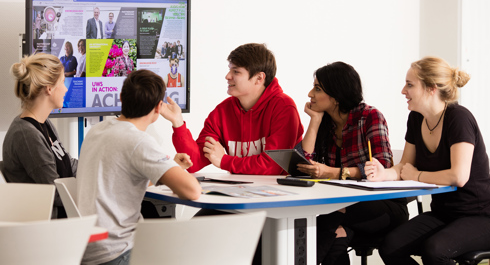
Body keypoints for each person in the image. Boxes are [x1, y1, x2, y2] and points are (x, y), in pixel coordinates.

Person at [366, 57, 490, 264]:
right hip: (445, 213)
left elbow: (458, 176)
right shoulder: (416, 118)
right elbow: (404, 167)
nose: (403, 90)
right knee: (390, 246)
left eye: (410, 85)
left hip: (483, 215)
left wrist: (417, 175)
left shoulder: (459, 118)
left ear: (431, 88)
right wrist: (384, 173)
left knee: (435, 250)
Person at [77, 69, 201, 265]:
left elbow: (122, 177)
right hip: (118, 251)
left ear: (120, 98)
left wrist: (172, 166)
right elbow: (193, 190)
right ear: (159, 108)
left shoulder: (97, 130)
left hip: (87, 247)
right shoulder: (138, 141)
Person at [294, 61, 408, 265]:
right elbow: (302, 163)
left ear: (336, 96)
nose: (310, 93)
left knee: (326, 220)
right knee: (336, 236)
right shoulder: (325, 123)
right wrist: (315, 121)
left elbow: (380, 164)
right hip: (343, 209)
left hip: (383, 207)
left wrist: (335, 172)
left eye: (317, 88)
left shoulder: (369, 116)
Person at [163, 43, 304, 175]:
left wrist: (224, 161)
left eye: (236, 71)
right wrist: (178, 123)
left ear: (259, 78)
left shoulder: (284, 107)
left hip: (280, 197)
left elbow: (273, 166)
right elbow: (194, 162)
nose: (227, 76)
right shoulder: (222, 112)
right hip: (241, 194)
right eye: (230, 69)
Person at [2, 53, 77, 219]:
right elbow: (55, 192)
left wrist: (98, 171)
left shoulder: (44, 123)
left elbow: (68, 163)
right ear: (49, 89)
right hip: (50, 228)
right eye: (63, 82)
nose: (66, 88)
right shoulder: (26, 135)